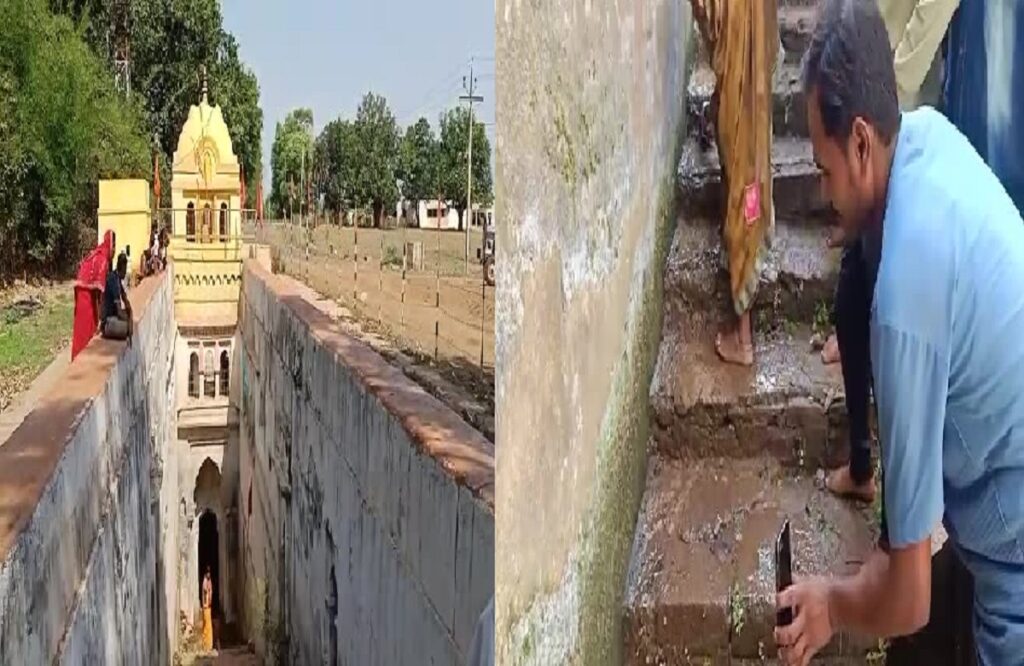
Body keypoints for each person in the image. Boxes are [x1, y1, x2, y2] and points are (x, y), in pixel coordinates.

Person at [775, 2, 1024, 665]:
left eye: (825, 171)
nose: (826, 194)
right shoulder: (929, 135)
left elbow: (909, 602)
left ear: (861, 140)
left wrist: (833, 603)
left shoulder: (902, 302)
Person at [688, 0, 779, 366]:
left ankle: (743, 338)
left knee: (742, 190)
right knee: (752, 181)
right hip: (755, 88)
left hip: (739, 95)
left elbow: (708, 14)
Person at [71, 230, 115, 360]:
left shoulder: (97, 253)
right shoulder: (102, 259)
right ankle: (80, 358)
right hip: (86, 294)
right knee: (86, 327)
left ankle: (78, 357)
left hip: (83, 291)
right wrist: (102, 317)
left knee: (82, 327)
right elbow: (99, 292)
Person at [100, 252, 133, 342]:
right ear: (122, 268)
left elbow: (125, 298)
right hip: (108, 321)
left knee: (130, 320)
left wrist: (128, 309)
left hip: (113, 316)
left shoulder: (117, 278)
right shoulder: (113, 281)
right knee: (128, 328)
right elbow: (119, 312)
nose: (125, 273)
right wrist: (128, 319)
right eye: (125, 270)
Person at [201, 567, 214, 651]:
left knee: (208, 626)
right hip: (206, 606)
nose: (209, 574)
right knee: (206, 625)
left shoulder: (208, 581)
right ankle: (205, 645)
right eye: (208, 573)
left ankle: (208, 645)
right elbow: (206, 591)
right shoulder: (205, 581)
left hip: (208, 606)